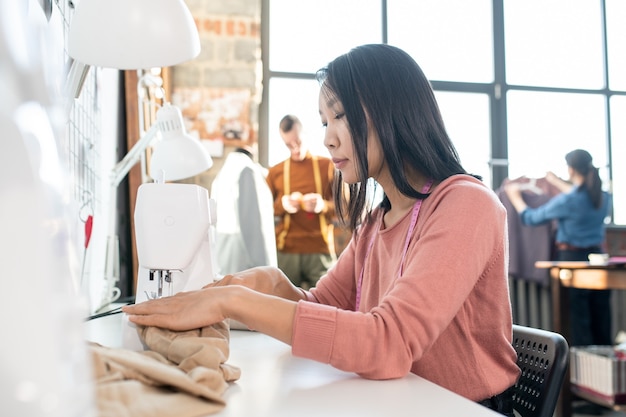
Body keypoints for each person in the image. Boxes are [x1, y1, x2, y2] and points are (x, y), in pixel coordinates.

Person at [123, 44, 520, 416]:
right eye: (324, 122)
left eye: (341, 117)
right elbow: (324, 309)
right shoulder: (376, 221)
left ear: (393, 111)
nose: (328, 138)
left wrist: (234, 302)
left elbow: (389, 342)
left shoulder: (466, 205)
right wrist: (275, 284)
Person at [505, 149, 612, 346]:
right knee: (602, 321)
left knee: (578, 324)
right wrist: (555, 182)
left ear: (570, 170)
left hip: (571, 260)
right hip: (598, 260)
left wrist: (514, 197)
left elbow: (531, 217)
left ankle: (580, 374)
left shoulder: (568, 201)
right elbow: (578, 195)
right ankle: (606, 372)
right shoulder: (603, 197)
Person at [265, 115, 336, 289]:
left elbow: (346, 209)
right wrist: (282, 205)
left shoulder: (327, 166)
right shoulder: (275, 172)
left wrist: (323, 205)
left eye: (297, 141)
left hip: (320, 249)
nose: (295, 148)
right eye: (288, 145)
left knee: (328, 302)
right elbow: (263, 211)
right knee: (284, 303)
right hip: (287, 249)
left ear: (305, 133)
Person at [210, 146, 277, 275]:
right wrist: (265, 266)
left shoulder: (221, 177)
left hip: (224, 254)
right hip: (247, 259)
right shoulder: (247, 171)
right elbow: (252, 222)